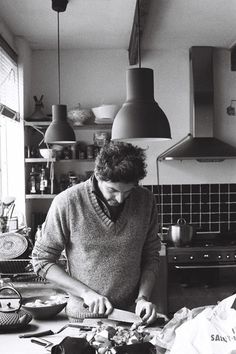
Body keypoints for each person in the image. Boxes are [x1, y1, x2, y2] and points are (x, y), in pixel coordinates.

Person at [32, 141, 161, 325]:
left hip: (132, 319)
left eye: (128, 191)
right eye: (112, 190)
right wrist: (86, 293)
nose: (120, 198)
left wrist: (143, 298)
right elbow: (41, 261)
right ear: (98, 175)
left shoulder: (146, 200)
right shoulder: (67, 202)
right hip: (84, 319)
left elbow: (151, 256)